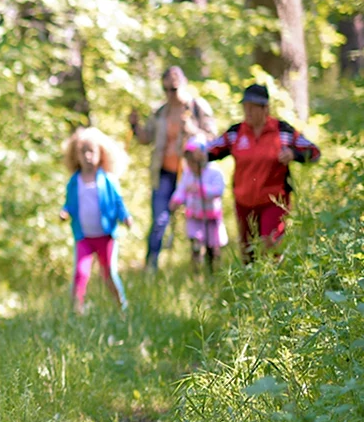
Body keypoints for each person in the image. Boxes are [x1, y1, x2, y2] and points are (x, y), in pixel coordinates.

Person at [206, 83, 320, 262]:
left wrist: (293, 154)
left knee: (270, 243)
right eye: (245, 107)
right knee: (248, 251)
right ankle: (250, 285)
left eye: (253, 107)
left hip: (274, 200)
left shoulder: (282, 132)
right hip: (244, 201)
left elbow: (313, 152)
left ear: (265, 108)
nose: (248, 112)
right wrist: (195, 152)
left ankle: (274, 283)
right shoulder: (236, 133)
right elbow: (211, 151)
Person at [128, 66, 217, 271]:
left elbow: (213, 139)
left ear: (184, 85)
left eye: (174, 89)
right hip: (164, 173)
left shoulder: (197, 108)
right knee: (160, 219)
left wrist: (192, 130)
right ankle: (151, 266)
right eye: (166, 89)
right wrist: (134, 127)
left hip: (192, 173)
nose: (170, 94)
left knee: (199, 220)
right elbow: (146, 138)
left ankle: (203, 268)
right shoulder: (160, 112)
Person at [59, 127, 131, 313]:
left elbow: (118, 203)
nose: (88, 156)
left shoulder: (107, 180)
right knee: (81, 273)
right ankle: (76, 309)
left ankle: (121, 305)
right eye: (83, 152)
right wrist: (64, 212)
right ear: (76, 156)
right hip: (84, 237)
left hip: (105, 236)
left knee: (109, 274)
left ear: (101, 154)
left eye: (92, 152)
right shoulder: (74, 182)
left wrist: (125, 217)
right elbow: (69, 203)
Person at [168, 137, 229, 272]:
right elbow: (182, 189)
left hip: (210, 215)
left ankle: (213, 270)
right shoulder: (188, 174)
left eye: (193, 162)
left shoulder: (214, 171)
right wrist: (176, 200)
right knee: (195, 243)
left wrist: (201, 189)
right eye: (188, 162)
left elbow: (219, 190)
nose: (191, 165)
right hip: (194, 215)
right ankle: (196, 271)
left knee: (212, 246)